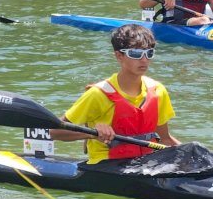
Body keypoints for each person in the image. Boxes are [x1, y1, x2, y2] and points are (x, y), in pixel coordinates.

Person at [49, 25, 180, 164]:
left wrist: (196, 155)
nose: (144, 60)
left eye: (149, 53)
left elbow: (166, 139)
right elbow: (54, 132)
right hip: (107, 165)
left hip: (147, 164)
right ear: (119, 56)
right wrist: (92, 133)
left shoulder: (158, 90)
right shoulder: (98, 94)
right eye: (135, 53)